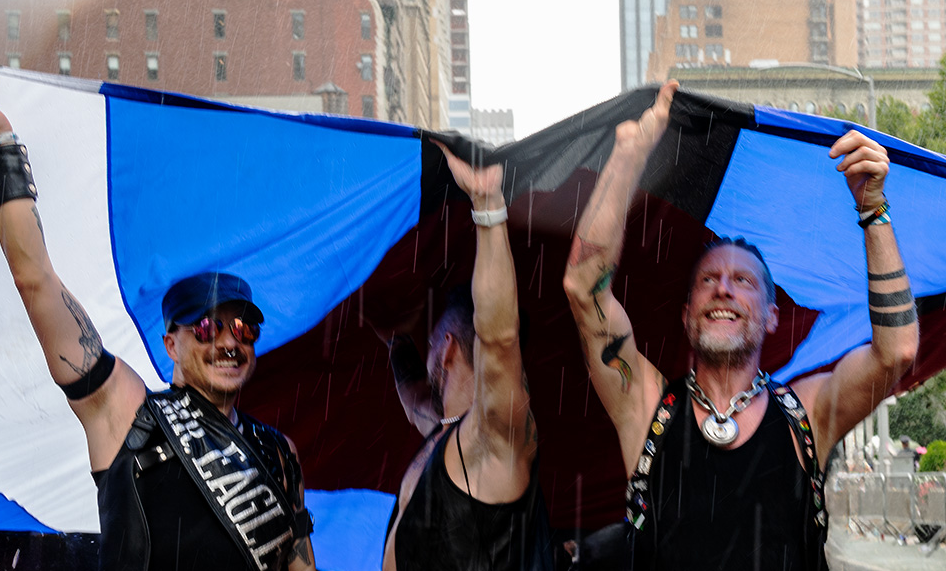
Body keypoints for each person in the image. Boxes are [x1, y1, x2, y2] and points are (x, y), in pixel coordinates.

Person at [0, 73, 315, 571]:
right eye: (207, 328)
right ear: (172, 344)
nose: (229, 342)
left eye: (243, 328)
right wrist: (2, 142)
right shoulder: (126, 415)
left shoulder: (278, 452)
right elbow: (35, 279)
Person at [563, 81, 918, 570]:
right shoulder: (645, 408)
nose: (724, 289)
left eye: (744, 281)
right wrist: (630, 153)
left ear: (772, 316)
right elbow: (584, 288)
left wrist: (873, 209)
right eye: (709, 279)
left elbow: (895, 352)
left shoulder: (808, 414)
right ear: (687, 315)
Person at [379, 141, 554, 570]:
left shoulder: (492, 435)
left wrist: (488, 209)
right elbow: (414, 399)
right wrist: (396, 342)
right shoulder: (443, 431)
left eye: (431, 344)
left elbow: (497, 340)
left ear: (447, 349)